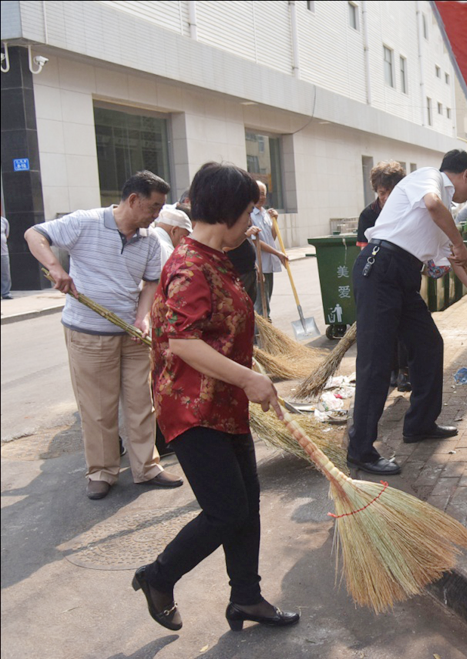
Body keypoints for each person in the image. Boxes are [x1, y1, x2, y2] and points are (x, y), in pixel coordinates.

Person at [135, 162, 299, 632]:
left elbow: (220, 334)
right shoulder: (188, 266)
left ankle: (246, 597)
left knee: (247, 501)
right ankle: (158, 576)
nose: (252, 223)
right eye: (249, 212)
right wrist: (248, 379)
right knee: (227, 510)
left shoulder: (216, 258)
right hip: (192, 410)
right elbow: (183, 342)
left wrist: (246, 374)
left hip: (224, 406)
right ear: (228, 211)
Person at [350, 150, 467, 476]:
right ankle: (360, 450)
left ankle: (420, 424)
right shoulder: (429, 178)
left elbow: (460, 266)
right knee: (376, 363)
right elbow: (434, 206)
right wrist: (460, 241)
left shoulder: (444, 217)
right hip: (380, 269)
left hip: (403, 278)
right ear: (466, 175)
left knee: (428, 344)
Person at [24, 171, 183, 500]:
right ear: (133, 200)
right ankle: (102, 471)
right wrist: (56, 268)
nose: (157, 215)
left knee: (142, 404)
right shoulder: (86, 222)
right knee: (98, 408)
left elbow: (151, 284)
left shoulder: (151, 240)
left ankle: (147, 467)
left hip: (133, 335)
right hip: (89, 334)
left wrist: (143, 319)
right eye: (153, 207)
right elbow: (33, 234)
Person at [356, 161, 410, 391]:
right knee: (383, 330)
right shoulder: (368, 215)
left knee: (405, 330)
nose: (387, 197)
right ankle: (390, 370)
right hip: (378, 279)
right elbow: (364, 250)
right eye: (382, 193)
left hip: (405, 276)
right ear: (376, 191)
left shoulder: (409, 210)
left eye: (392, 192)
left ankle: (406, 372)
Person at [250, 181, 288, 319]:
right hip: (258, 265)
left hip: (268, 265)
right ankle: (259, 335)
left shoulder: (265, 214)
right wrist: (277, 253)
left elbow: (271, 238)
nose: (261, 197)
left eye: (263, 194)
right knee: (261, 306)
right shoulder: (249, 215)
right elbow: (255, 241)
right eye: (258, 193)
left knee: (267, 301)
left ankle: (263, 332)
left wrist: (275, 221)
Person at [1, 213, 10, 300]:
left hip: (3, 252)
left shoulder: (4, 221)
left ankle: (5, 293)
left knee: (5, 273)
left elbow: (6, 235)